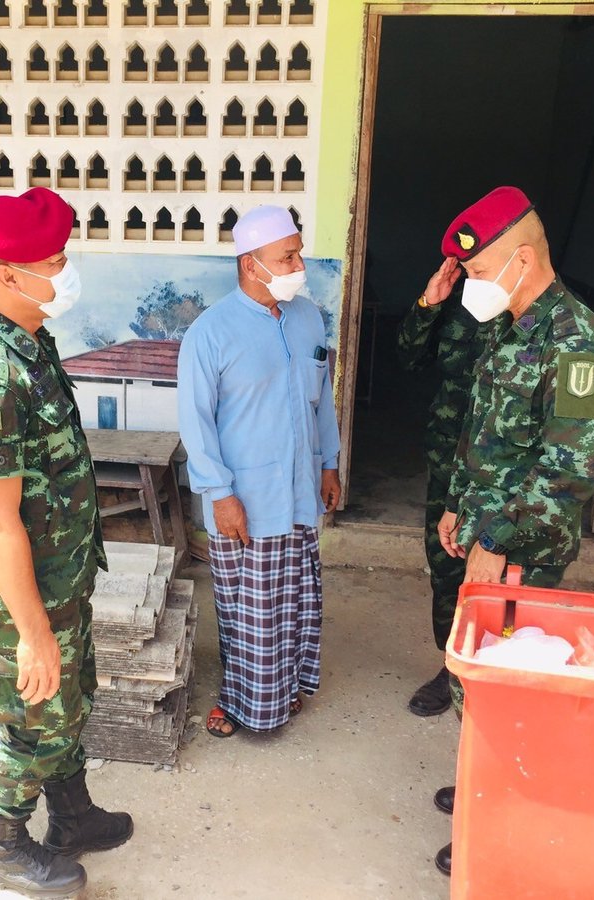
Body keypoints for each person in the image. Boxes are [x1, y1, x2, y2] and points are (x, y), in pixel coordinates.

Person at [0, 187, 132, 899]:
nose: (66, 271)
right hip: (26, 589)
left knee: (70, 698)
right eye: (54, 261)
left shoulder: (31, 344)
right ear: (8, 277)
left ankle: (72, 817)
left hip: (60, 574)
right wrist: (30, 632)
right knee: (33, 716)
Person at [430, 186, 594, 877]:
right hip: (483, 533)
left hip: (521, 549)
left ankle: (501, 817)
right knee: (475, 679)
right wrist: (455, 506)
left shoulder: (576, 345)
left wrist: (497, 537)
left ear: (524, 259)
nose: (470, 288)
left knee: (505, 687)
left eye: (478, 274)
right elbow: (481, 432)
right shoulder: (508, 322)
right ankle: (486, 780)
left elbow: (568, 472)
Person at [177, 205, 342, 739]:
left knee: (295, 601)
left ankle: (287, 686)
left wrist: (330, 463)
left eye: (297, 252)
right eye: (287, 256)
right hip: (244, 499)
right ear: (252, 264)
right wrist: (220, 494)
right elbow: (196, 423)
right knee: (246, 611)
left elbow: (323, 403)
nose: (300, 264)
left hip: (299, 491)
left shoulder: (309, 317)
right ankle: (237, 700)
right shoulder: (210, 333)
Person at [397, 264, 507, 717]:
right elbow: (408, 357)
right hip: (449, 465)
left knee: (505, 577)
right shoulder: (457, 302)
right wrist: (429, 303)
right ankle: (452, 666)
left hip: (505, 477)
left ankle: (499, 675)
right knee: (445, 567)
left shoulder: (532, 310)